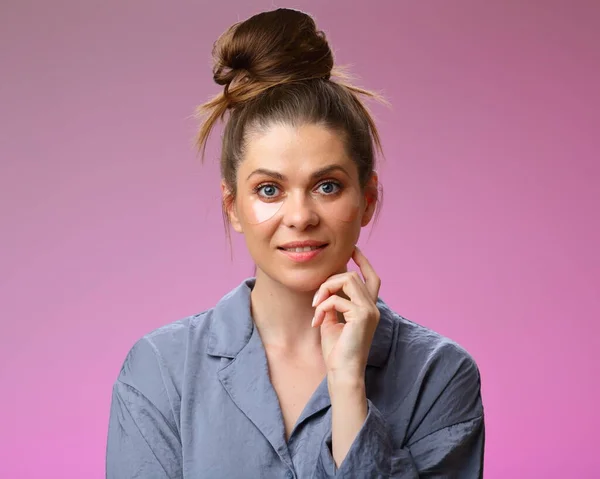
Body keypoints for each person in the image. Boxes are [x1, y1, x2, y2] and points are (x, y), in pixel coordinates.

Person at [106, 8, 485, 478]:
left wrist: (348, 386)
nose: (301, 216)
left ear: (367, 200)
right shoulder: (160, 372)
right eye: (269, 190)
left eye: (327, 186)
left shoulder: (439, 375)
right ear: (232, 206)